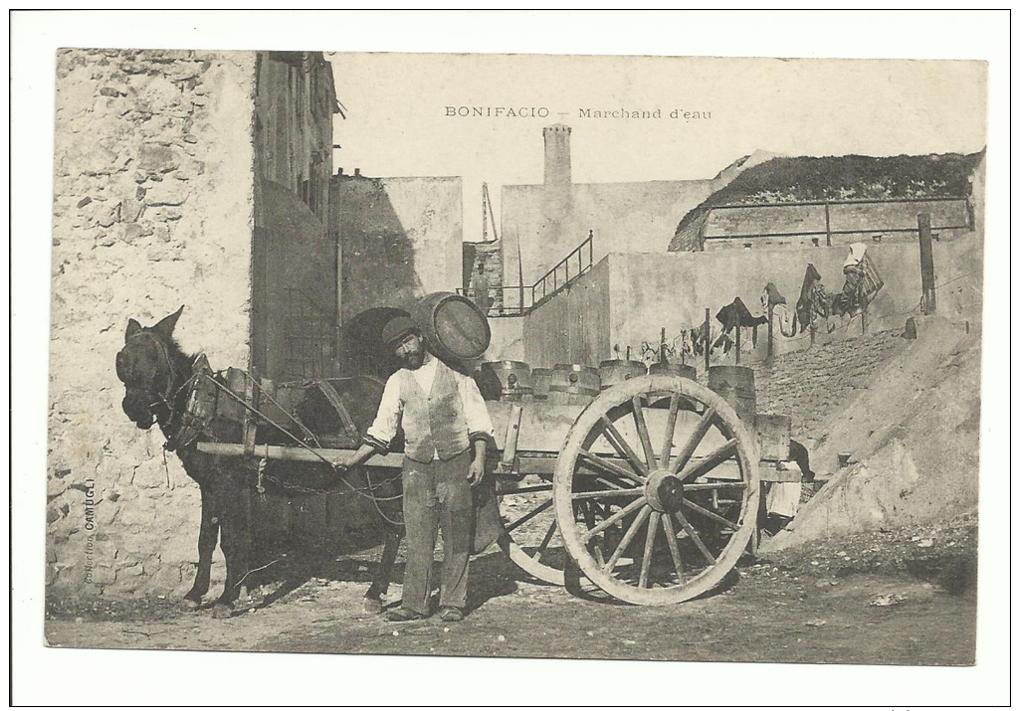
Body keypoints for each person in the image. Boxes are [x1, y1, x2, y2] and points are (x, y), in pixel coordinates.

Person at [336, 316, 494, 623]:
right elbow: (382, 430)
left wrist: (478, 459)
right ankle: (415, 605)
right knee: (419, 537)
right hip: (417, 468)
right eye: (397, 348)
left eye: (407, 342)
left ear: (420, 338)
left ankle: (452, 603)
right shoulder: (397, 381)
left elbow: (478, 421)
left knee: (456, 536)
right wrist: (352, 461)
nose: (404, 350)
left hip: (455, 462)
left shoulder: (458, 376)